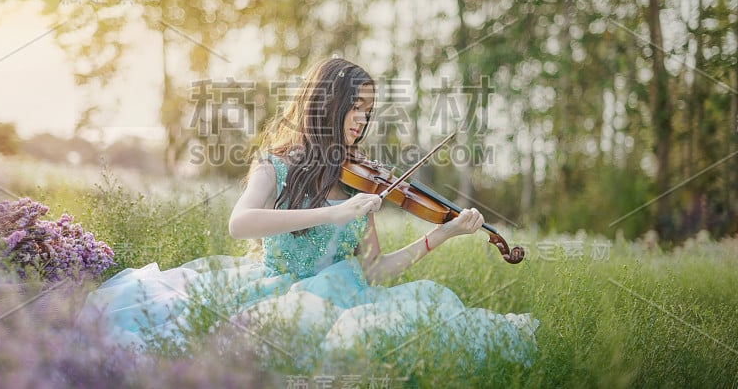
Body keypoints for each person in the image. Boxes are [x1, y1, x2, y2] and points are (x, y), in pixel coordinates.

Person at [79, 57, 537, 370]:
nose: (361, 119)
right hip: (275, 290)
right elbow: (240, 223)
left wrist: (446, 233)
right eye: (353, 108)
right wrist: (331, 216)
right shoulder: (275, 164)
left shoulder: (361, 179)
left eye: (368, 110)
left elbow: (374, 271)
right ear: (326, 105)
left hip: (351, 298)